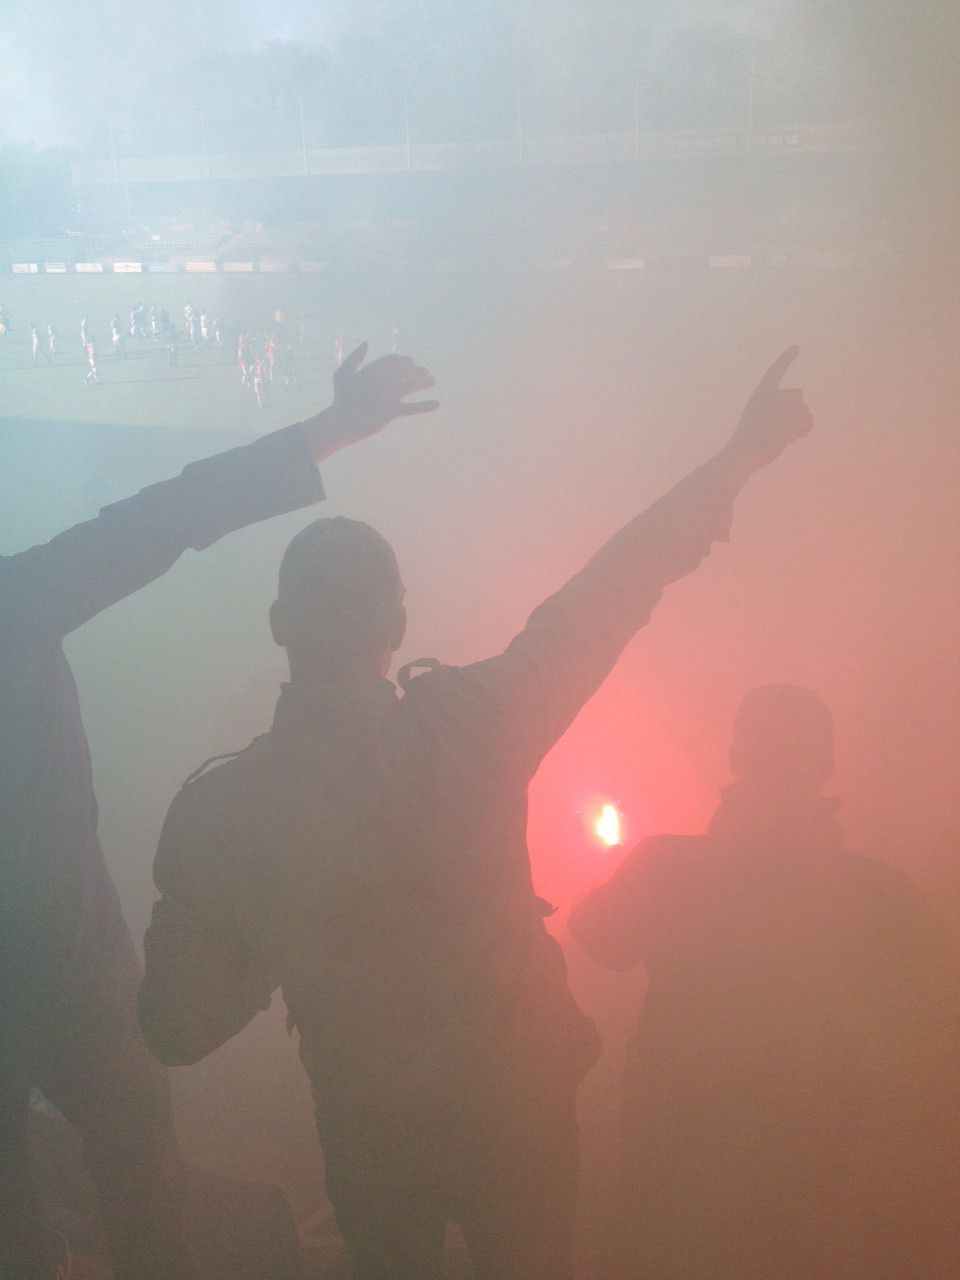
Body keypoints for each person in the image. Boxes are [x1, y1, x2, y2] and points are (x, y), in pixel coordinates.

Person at [139, 350, 813, 1280]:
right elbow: (612, 590)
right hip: (518, 1104)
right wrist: (739, 458)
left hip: (374, 1128)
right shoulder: (478, 726)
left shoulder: (226, 812)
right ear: (398, 625)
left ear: (279, 626)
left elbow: (175, 1029)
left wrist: (261, 930)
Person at [0, 344, 438, 1280]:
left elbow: (165, 519)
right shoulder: (16, 600)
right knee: (131, 1191)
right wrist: (334, 430)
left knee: (104, 1200)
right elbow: (165, 520)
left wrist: (329, 432)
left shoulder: (16, 601)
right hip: (71, 950)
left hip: (71, 952)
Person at [570, 684, 960, 1279]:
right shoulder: (887, 900)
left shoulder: (667, 868)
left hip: (676, 1189)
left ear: (736, 758)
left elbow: (599, 938)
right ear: (825, 766)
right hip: (821, 1193)